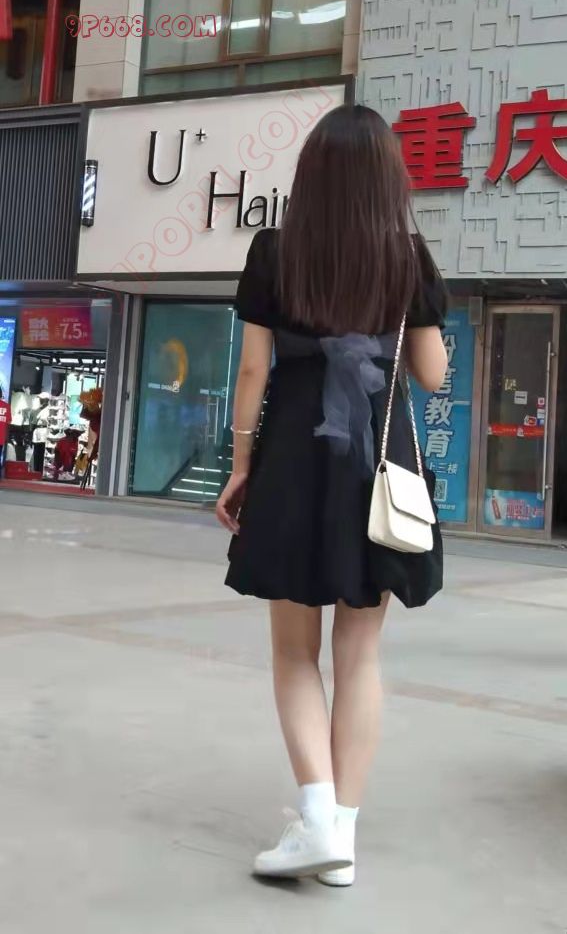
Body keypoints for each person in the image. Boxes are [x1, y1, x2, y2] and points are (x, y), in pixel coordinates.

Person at [216, 105, 448, 886]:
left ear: (310, 175)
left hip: (291, 457)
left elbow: (254, 371)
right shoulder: (407, 256)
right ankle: (338, 836)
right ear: (389, 178)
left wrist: (239, 464)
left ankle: (317, 821)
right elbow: (431, 374)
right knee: (359, 652)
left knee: (293, 652)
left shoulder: (274, 250)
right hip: (376, 465)